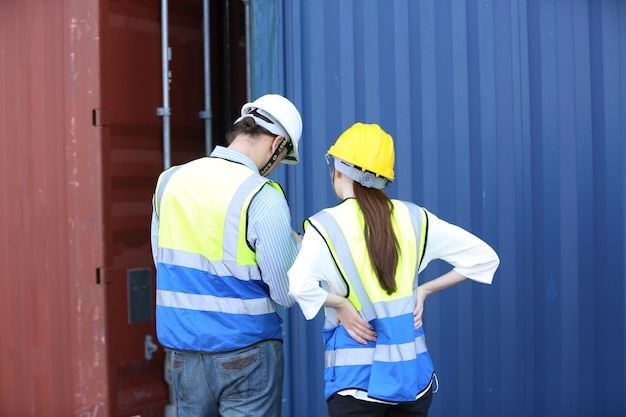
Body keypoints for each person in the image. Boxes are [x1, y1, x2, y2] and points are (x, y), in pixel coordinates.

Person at [288, 122, 500, 417]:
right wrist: (423, 290)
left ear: (338, 169)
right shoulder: (415, 218)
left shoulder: (325, 226)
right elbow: (484, 257)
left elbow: (298, 286)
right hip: (411, 379)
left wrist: (340, 304)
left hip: (356, 384)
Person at [151, 94, 303, 417]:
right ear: (276, 143)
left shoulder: (170, 182)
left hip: (184, 355)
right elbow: (287, 292)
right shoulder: (262, 196)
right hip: (246, 356)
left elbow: (164, 261)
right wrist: (298, 248)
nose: (275, 168)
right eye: (282, 157)